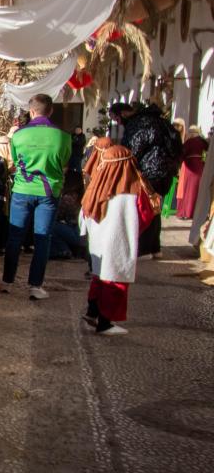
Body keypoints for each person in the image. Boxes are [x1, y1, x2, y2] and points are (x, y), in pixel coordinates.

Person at [80, 144, 157, 336]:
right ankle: (105, 323)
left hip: (98, 243)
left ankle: (92, 312)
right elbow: (145, 215)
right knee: (115, 280)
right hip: (118, 242)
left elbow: (84, 213)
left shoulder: (95, 186)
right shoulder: (133, 191)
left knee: (99, 276)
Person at [3, 93, 72, 299]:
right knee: (42, 238)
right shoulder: (63, 136)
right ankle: (35, 285)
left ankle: (7, 281)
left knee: (15, 236)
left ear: (31, 111)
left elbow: (15, 161)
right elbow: (64, 164)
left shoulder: (18, 135)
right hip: (49, 193)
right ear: (50, 111)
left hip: (22, 191)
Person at [122, 103, 182, 257]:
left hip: (147, 172)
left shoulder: (140, 124)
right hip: (166, 171)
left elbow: (133, 148)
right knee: (156, 209)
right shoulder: (163, 123)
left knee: (145, 209)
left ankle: (145, 249)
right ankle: (155, 248)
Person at [176, 124, 208, 220]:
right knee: (197, 190)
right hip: (200, 167)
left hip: (189, 167)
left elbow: (182, 153)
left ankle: (186, 212)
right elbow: (207, 151)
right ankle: (197, 213)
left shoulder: (189, 142)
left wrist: (178, 165)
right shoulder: (203, 142)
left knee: (187, 190)